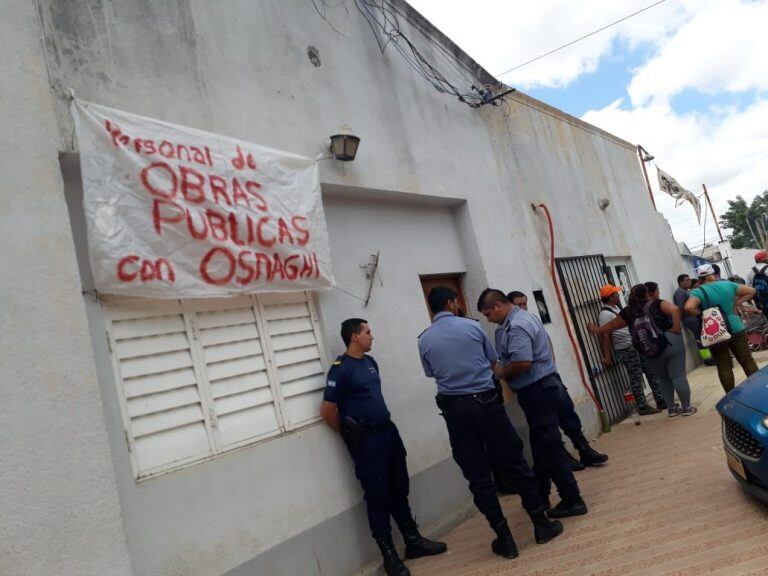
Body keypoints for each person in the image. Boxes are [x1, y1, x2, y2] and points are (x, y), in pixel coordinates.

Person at [418, 287, 563, 560]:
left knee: (478, 476)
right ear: (452, 303)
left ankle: (505, 538)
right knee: (514, 462)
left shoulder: (424, 339)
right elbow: (493, 361)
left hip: (455, 410)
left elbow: (431, 372)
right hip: (486, 404)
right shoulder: (472, 329)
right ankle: (541, 524)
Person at [321, 319, 446, 576]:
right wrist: (349, 434)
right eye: (367, 332)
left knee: (399, 488)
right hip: (367, 443)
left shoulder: (370, 363)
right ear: (354, 337)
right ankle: (389, 555)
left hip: (388, 434)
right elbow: (328, 410)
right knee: (377, 497)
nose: (372, 336)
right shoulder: (340, 369)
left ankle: (413, 541)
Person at [478, 289, 590, 518]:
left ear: (498, 306)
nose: (488, 319)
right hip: (542, 389)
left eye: (488, 313)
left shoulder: (516, 326)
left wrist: (500, 372)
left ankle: (572, 499)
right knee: (541, 446)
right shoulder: (522, 318)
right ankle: (540, 495)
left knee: (550, 447)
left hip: (538, 391)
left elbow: (522, 362)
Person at [509, 290, 609, 470]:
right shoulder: (509, 328)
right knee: (549, 423)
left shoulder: (531, 320)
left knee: (567, 413)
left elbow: (547, 344)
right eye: (519, 304)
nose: (523, 307)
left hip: (551, 376)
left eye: (525, 303)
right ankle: (564, 457)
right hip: (534, 383)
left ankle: (584, 449)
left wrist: (551, 366)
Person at [589, 283, 695, 417]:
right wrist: (675, 328)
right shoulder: (658, 304)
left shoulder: (627, 312)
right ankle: (687, 407)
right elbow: (675, 310)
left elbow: (610, 326)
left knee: (663, 379)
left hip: (650, 348)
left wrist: (596, 330)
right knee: (678, 376)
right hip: (669, 342)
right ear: (647, 294)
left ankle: (672, 409)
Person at [685, 264, 759, 393]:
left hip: (716, 331)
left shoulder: (698, 291)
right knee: (747, 361)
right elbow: (751, 291)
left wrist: (702, 314)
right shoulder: (728, 285)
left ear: (700, 277)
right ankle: (757, 390)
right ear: (712, 274)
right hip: (736, 327)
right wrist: (736, 304)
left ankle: (730, 396)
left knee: (724, 366)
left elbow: (688, 307)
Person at [597, 284, 664, 415]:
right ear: (611, 297)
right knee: (636, 376)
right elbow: (605, 335)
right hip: (625, 348)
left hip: (634, 345)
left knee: (650, 371)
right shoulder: (605, 314)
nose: (618, 295)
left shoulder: (616, 308)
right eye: (615, 293)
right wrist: (607, 355)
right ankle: (642, 406)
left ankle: (660, 399)